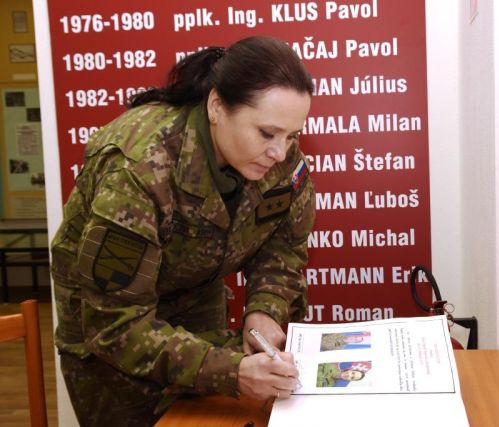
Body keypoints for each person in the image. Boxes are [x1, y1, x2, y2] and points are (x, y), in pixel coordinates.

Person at [50, 35, 316, 426]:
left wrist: (265, 310)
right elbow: (114, 325)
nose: (280, 152)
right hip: (110, 334)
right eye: (266, 133)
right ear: (216, 107)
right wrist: (230, 371)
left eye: (291, 135)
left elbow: (282, 246)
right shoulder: (139, 168)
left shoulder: (280, 159)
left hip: (195, 297)